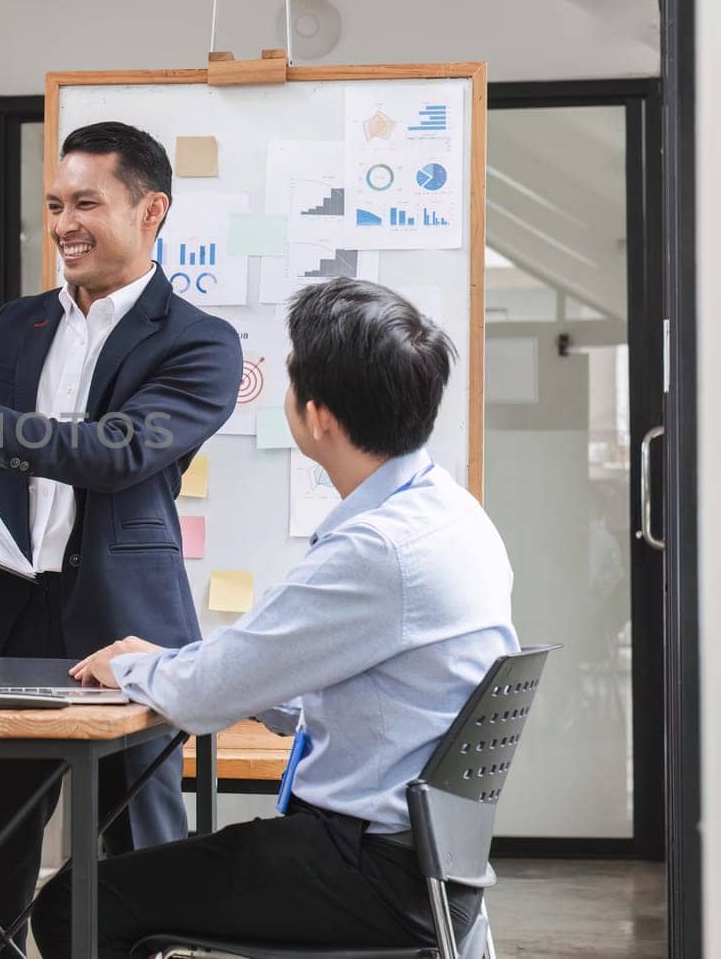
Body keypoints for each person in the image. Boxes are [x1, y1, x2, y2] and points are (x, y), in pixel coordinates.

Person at [31, 278, 521, 958]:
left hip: (367, 871)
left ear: (317, 416)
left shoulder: (375, 549)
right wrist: (222, 678)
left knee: (74, 902)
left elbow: (210, 692)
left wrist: (136, 666)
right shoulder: (452, 515)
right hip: (428, 868)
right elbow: (376, 688)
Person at [0, 123, 241, 956]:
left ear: (152, 211)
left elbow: (121, 452)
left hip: (128, 630)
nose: (65, 223)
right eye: (55, 205)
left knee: (142, 867)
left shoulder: (199, 341)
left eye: (87, 204)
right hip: (12, 627)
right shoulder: (17, 326)